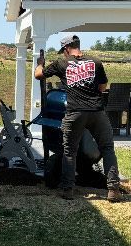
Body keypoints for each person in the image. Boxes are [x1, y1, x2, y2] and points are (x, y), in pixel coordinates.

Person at [34, 34, 122, 202]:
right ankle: (113, 189)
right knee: (107, 149)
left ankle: (68, 189)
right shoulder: (96, 62)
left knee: (69, 151)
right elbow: (102, 87)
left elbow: (39, 75)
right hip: (97, 112)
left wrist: (40, 64)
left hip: (75, 113)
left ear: (67, 48)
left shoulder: (61, 63)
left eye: (64, 51)